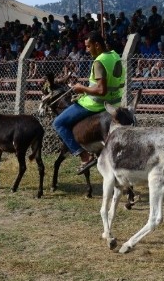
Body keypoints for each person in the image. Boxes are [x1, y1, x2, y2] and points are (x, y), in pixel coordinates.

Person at [52, 32, 125, 174]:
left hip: (95, 104)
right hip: (114, 103)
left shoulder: (99, 61)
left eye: (88, 46)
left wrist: (81, 88)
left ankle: (85, 157)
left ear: (97, 45)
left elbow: (101, 90)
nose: (87, 49)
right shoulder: (115, 55)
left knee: (58, 123)